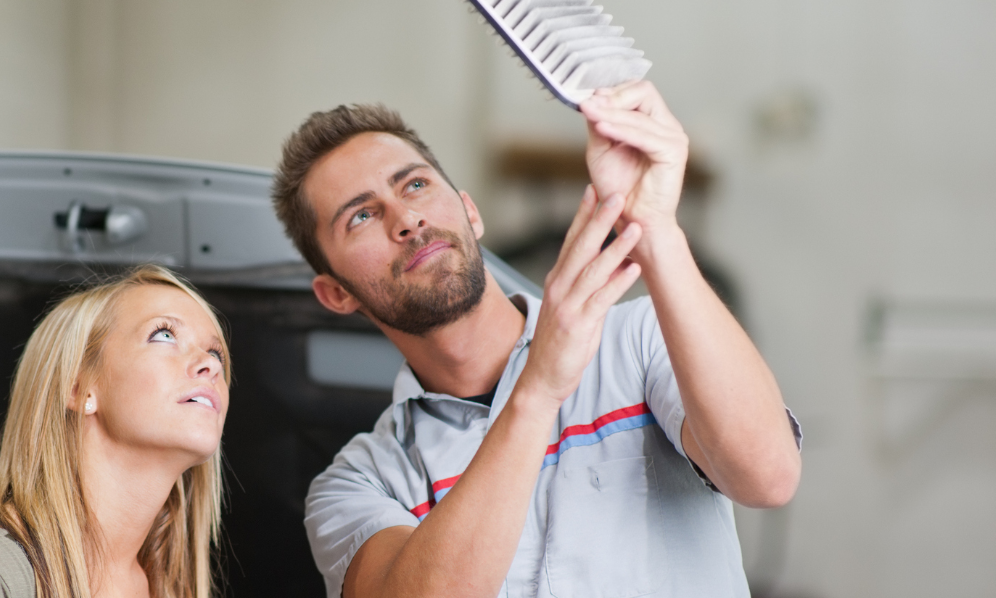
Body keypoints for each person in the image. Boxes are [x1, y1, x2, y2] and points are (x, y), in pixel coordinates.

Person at [271, 82, 803, 598]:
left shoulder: (640, 339)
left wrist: (657, 228)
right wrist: (538, 387)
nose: (407, 219)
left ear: (470, 211)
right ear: (337, 294)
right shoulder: (359, 483)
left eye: (414, 185)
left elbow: (768, 478)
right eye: (362, 216)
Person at [0, 265, 230, 598]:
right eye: (164, 335)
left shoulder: (168, 588)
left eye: (215, 352)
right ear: (77, 388)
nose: (211, 364)